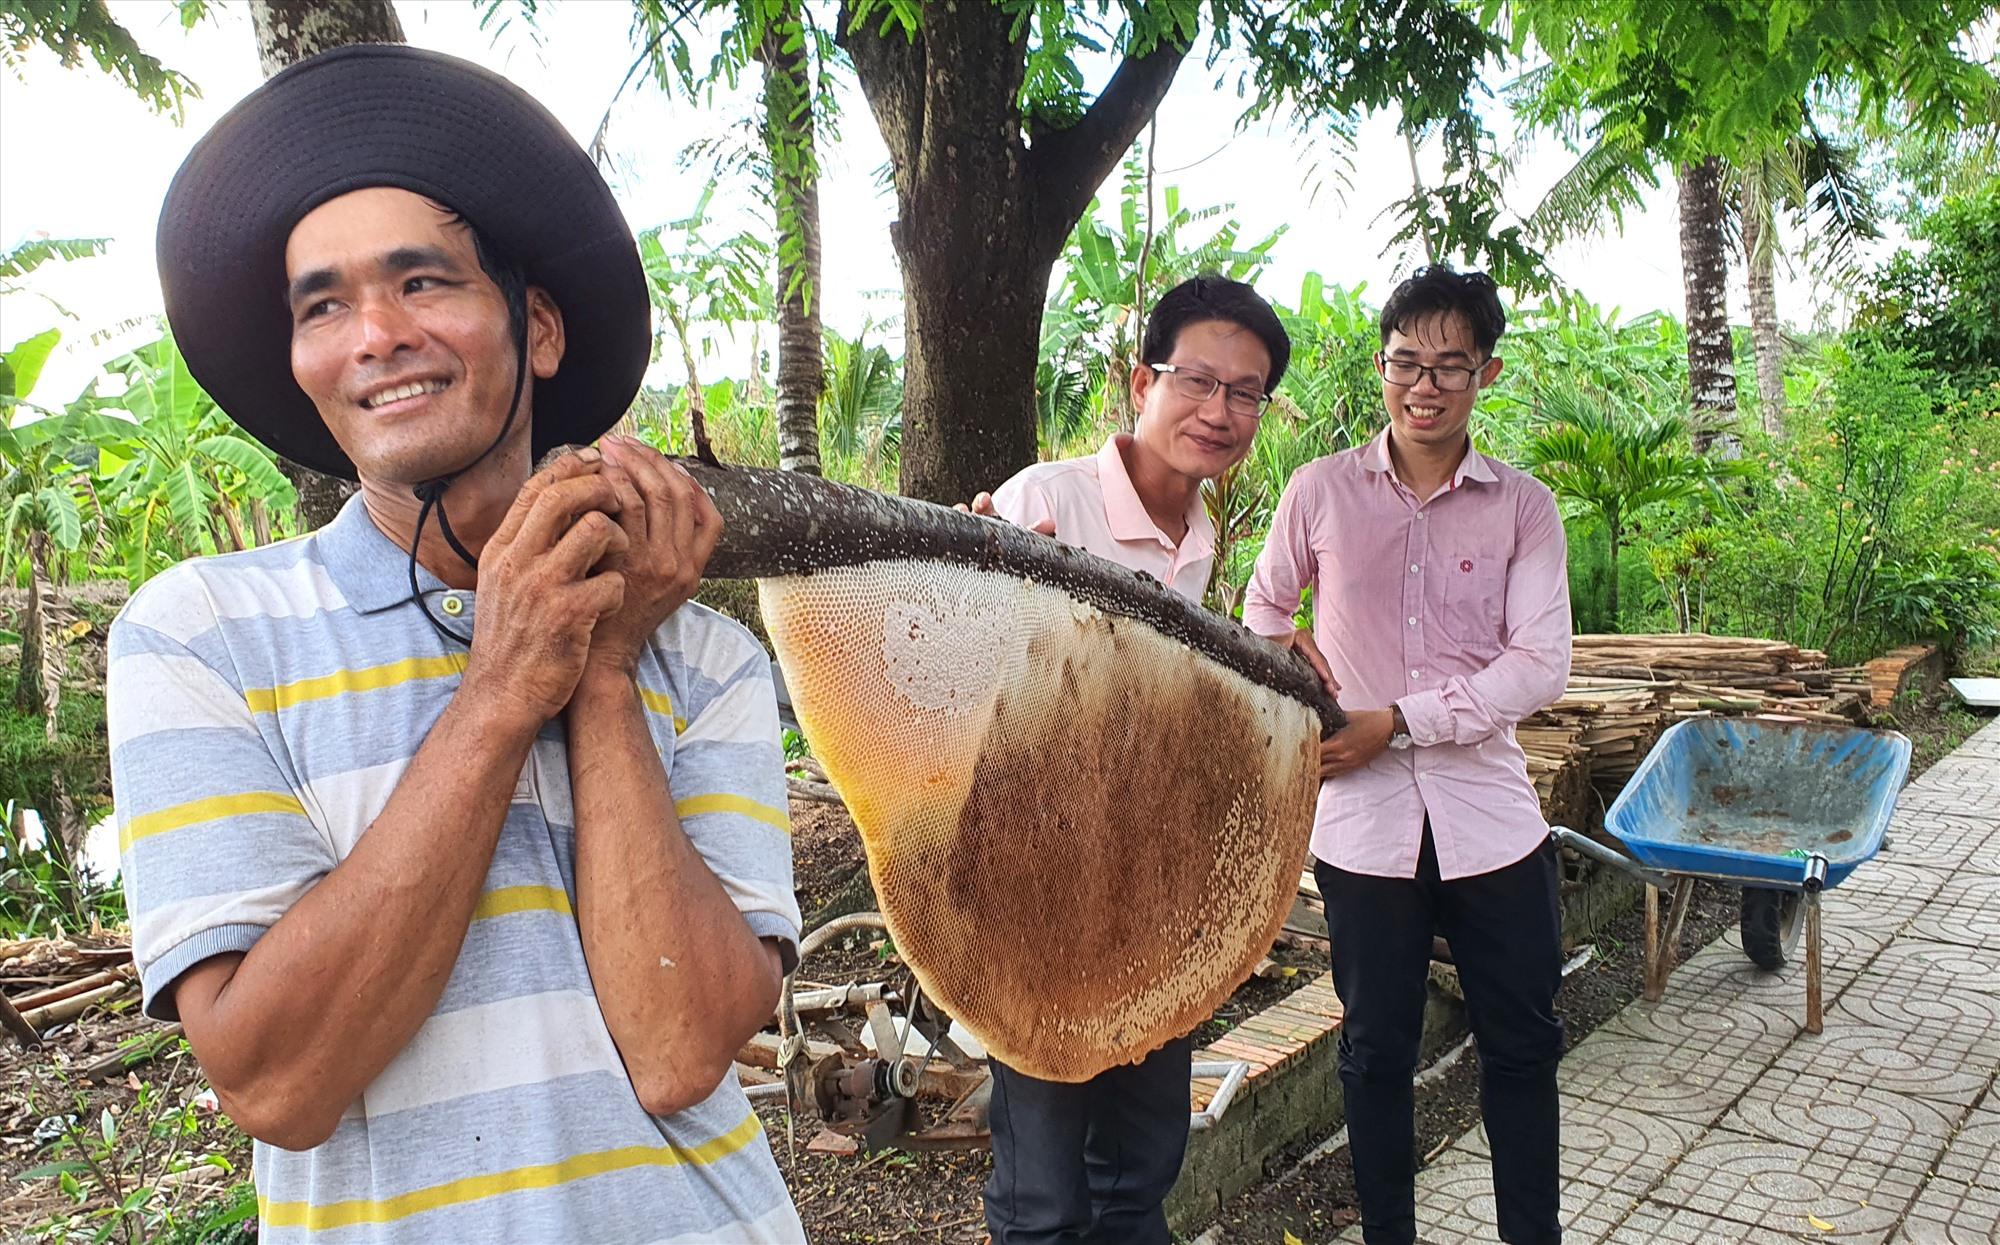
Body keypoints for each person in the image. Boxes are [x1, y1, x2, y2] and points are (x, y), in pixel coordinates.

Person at [109, 45, 804, 1242]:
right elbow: (278, 1082)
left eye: (421, 282)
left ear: (534, 330)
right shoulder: (202, 636)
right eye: (321, 303)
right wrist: (498, 688)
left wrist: (599, 665)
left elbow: (682, 1051)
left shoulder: (702, 656)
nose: (373, 333)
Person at [1243, 266, 1571, 1245]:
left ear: (1485, 374)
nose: (1422, 387)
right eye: (1403, 364)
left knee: (1520, 1048)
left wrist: (1395, 718)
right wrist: (1282, 656)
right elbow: (1260, 610)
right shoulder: (1319, 492)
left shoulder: (1522, 508)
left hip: (1492, 822)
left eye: (1447, 368)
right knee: (1374, 1054)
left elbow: (1537, 668)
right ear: (1379, 367)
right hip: (1361, 830)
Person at [967, 275, 1293, 1245]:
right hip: (1036, 896)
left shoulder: (1195, 537)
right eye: (1197, 380)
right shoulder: (1044, 501)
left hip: (1149, 895)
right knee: (1041, 1187)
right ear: (1140, 381)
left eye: (1245, 393)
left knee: (1141, 1159)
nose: (1218, 410)